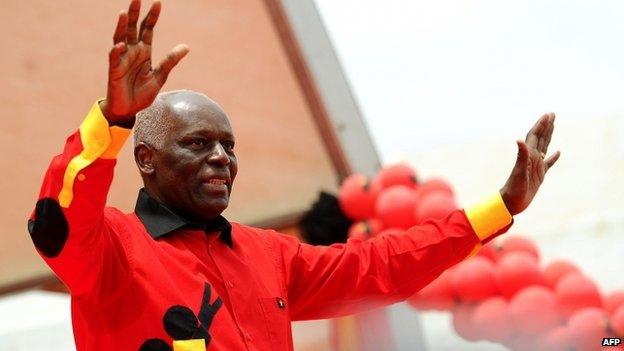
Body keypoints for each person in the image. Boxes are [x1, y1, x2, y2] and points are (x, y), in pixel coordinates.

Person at [27, 1, 560, 350]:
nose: (222, 158)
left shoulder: (268, 254)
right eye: (197, 143)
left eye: (228, 146)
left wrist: (500, 208)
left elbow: (381, 266)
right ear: (146, 158)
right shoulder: (110, 246)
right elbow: (59, 220)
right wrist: (113, 122)